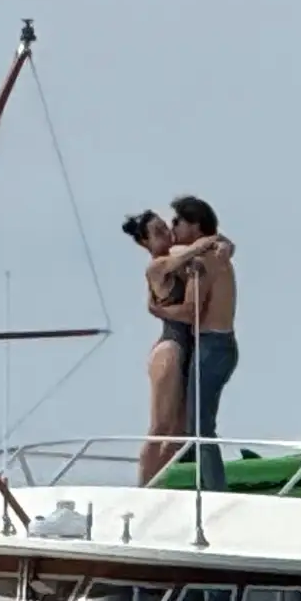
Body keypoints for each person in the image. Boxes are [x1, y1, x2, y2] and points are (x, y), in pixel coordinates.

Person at [121, 211, 197, 485]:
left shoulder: (179, 259)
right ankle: (142, 488)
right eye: (158, 232)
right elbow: (187, 256)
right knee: (160, 427)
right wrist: (210, 240)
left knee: (181, 431)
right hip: (171, 349)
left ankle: (159, 484)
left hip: (189, 349)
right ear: (145, 242)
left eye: (166, 228)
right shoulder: (158, 266)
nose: (166, 233)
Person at [168, 194, 239, 476]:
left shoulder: (205, 261)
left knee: (200, 426)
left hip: (213, 344)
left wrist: (156, 309)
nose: (173, 228)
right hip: (215, 345)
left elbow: (190, 312)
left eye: (177, 222)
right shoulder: (210, 253)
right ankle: (191, 479)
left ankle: (211, 487)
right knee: (193, 423)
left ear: (195, 225)